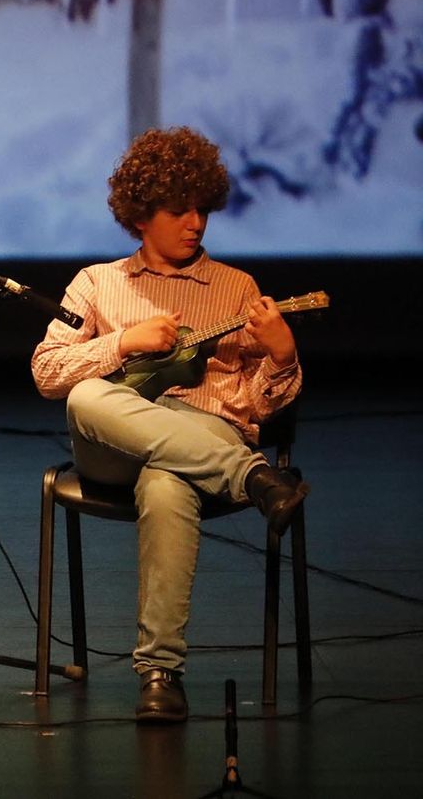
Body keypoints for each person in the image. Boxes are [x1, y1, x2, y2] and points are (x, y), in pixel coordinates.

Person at [30, 126, 311, 724]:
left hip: (203, 440)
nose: (195, 223)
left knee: (166, 480)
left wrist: (282, 356)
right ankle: (257, 481)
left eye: (202, 209)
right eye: (177, 209)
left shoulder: (236, 289)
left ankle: (160, 674)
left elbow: (261, 409)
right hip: (113, 444)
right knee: (86, 399)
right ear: (140, 215)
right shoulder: (97, 282)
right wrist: (122, 343)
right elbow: (47, 371)